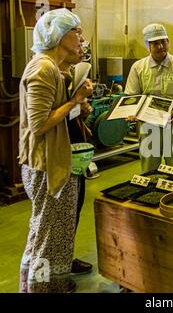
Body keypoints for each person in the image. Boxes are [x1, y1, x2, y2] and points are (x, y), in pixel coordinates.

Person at [18, 8, 93, 293]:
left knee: (50, 236)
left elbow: (53, 115)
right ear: (59, 35)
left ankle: (47, 286)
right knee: (47, 239)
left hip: (56, 161)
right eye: (77, 32)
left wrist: (76, 107)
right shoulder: (43, 68)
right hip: (45, 165)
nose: (81, 38)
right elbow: (39, 124)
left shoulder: (55, 68)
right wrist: (76, 100)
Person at [124, 23, 173, 173]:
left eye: (164, 41)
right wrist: (133, 112)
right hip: (148, 121)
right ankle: (149, 194)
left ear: (168, 42)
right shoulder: (138, 67)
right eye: (155, 43)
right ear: (147, 46)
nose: (160, 46)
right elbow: (132, 95)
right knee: (149, 165)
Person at [60, 51, 93, 275]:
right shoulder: (49, 74)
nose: (80, 41)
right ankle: (58, 267)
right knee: (60, 215)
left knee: (74, 208)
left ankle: (66, 257)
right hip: (59, 155)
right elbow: (47, 119)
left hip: (76, 152)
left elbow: (70, 115)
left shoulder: (69, 75)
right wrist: (76, 105)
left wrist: (82, 111)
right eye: (76, 33)